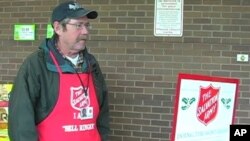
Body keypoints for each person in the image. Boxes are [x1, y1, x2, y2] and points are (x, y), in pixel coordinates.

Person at [8, 1, 110, 141]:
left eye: (86, 25)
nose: (85, 31)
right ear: (58, 28)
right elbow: (20, 122)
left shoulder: (91, 64)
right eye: (78, 25)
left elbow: (103, 115)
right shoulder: (36, 65)